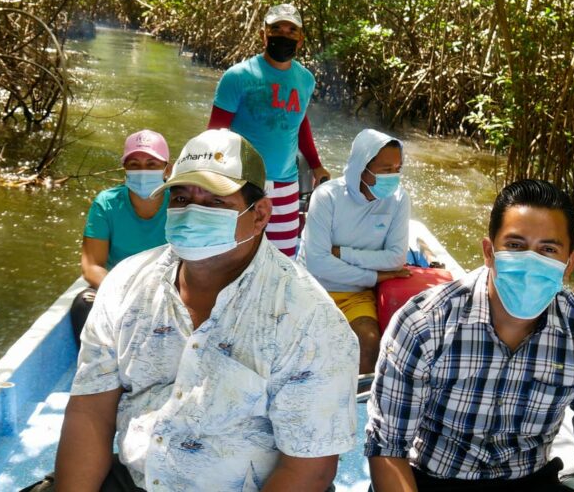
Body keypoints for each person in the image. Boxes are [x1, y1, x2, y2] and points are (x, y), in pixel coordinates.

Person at [53, 129, 359, 491]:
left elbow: (309, 469)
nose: (191, 213)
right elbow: (91, 412)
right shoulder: (126, 285)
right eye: (181, 198)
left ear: (260, 215)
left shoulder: (310, 319)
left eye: (214, 202)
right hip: (135, 478)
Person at [365, 179, 574, 492]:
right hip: (429, 478)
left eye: (548, 250)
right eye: (515, 246)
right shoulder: (424, 325)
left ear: (569, 263)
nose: (531, 263)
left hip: (528, 480)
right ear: (489, 252)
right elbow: (387, 447)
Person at [208, 3, 330, 258]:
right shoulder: (237, 76)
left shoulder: (306, 80)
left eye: (290, 30)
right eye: (276, 29)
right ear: (263, 34)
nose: (283, 35)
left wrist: (316, 165)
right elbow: (215, 133)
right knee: (234, 253)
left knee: (282, 256)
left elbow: (300, 123)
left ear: (300, 39)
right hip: (243, 179)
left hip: (286, 184)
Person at [298, 128, 411, 374]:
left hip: (357, 295)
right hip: (312, 287)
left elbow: (395, 258)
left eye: (397, 170)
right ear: (362, 167)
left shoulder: (399, 199)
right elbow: (317, 264)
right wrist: (374, 277)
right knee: (302, 349)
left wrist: (344, 253)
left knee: (369, 344)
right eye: (385, 170)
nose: (393, 177)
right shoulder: (327, 196)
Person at [69, 129, 171, 345]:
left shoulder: (181, 203)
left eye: (152, 164)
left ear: (167, 169)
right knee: (83, 305)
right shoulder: (106, 204)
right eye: (134, 164)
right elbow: (92, 267)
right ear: (125, 169)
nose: (143, 171)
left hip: (166, 290)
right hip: (117, 288)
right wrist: (126, 295)